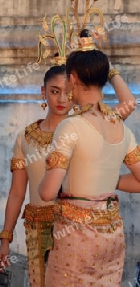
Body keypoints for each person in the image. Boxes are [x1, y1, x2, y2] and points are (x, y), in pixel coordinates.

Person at [0, 26, 136, 286]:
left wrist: (101, 67)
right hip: (41, 227)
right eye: (53, 91)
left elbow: (129, 104)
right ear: (43, 92)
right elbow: (17, 192)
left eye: (65, 89)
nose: (61, 98)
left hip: (74, 228)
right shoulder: (28, 136)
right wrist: (6, 238)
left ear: (73, 82)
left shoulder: (83, 125)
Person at [38, 32, 140, 285]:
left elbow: (48, 192)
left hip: (77, 236)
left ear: (72, 79)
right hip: (112, 235)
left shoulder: (71, 126)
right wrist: (104, 179)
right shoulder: (121, 127)